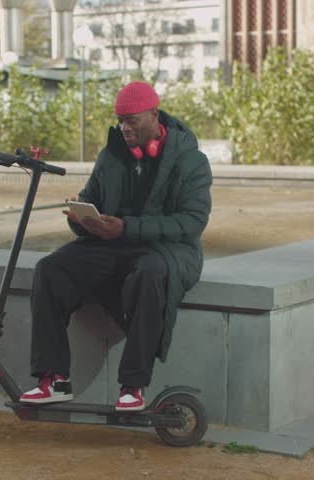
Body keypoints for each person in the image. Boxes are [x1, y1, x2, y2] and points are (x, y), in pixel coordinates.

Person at [20, 81, 212, 411]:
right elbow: (90, 200)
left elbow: (192, 222)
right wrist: (81, 219)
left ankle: (133, 385)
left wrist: (126, 227)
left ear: (154, 115)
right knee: (50, 269)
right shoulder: (110, 156)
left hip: (168, 251)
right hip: (113, 245)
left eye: (132, 120)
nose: (124, 128)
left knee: (149, 273)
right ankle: (54, 378)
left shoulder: (191, 160)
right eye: (120, 120)